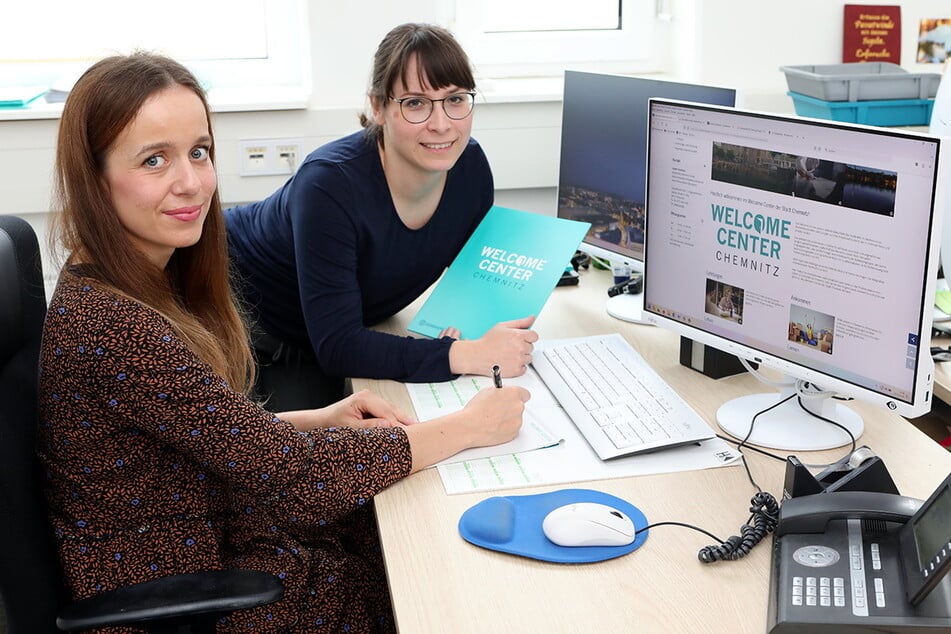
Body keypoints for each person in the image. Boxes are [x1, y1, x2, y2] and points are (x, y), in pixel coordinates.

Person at [38, 51, 530, 633]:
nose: (191, 182)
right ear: (93, 178)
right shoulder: (114, 324)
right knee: (430, 576)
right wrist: (468, 428)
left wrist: (321, 419)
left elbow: (204, 434)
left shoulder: (129, 276)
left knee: (405, 524)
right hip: (188, 593)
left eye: (199, 152)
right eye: (154, 160)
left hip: (212, 530)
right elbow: (295, 481)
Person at [225, 23, 538, 412]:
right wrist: (462, 355)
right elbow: (339, 346)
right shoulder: (329, 185)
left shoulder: (470, 168)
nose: (442, 124)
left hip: (336, 327)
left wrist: (473, 337)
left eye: (455, 99)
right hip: (245, 320)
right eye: (416, 103)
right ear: (378, 107)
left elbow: (470, 289)